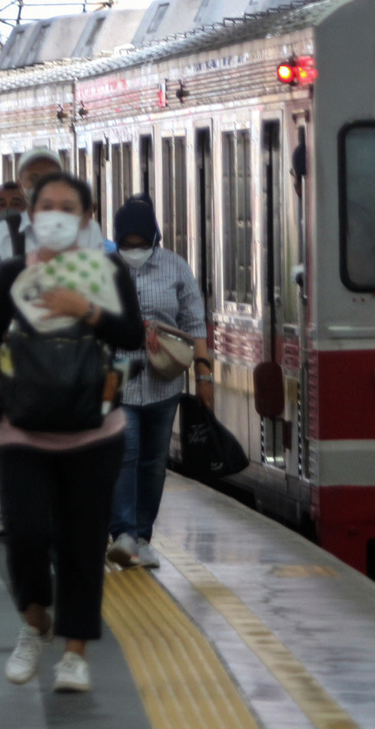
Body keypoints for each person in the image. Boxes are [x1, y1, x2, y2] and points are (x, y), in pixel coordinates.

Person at [0, 172, 144, 692]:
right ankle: (35, 619)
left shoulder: (106, 270)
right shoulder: (11, 275)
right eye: (47, 206)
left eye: (69, 207)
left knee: (82, 543)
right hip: (21, 431)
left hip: (93, 432)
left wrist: (83, 308)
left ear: (86, 218)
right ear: (31, 216)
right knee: (27, 534)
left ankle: (75, 655)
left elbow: (132, 335)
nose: (56, 215)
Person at [107, 196, 213, 568]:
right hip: (118, 381)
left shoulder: (175, 268)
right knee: (126, 454)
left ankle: (143, 536)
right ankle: (122, 533)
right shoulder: (105, 269)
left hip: (164, 382)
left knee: (153, 462)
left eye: (141, 243)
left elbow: (195, 322)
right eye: (127, 243)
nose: (134, 250)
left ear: (155, 237)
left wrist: (204, 375)